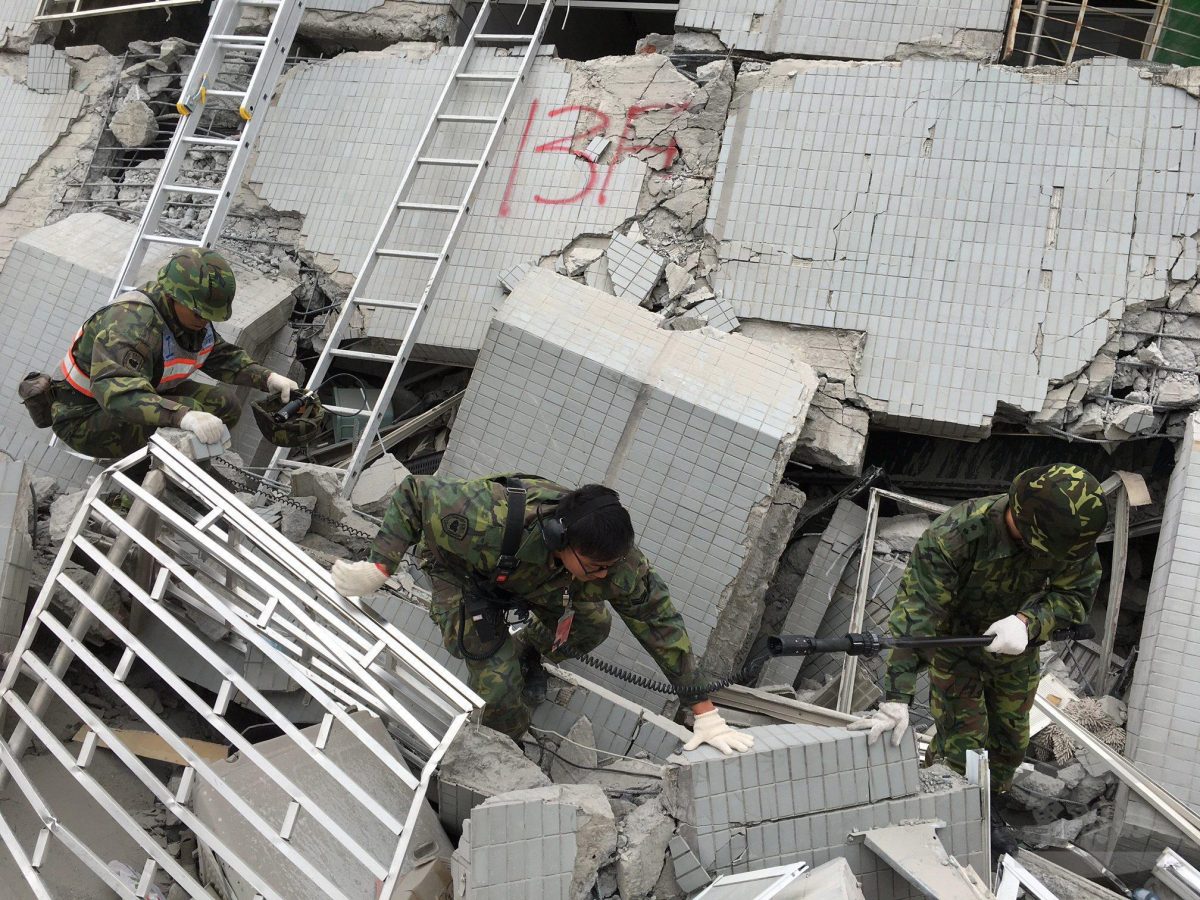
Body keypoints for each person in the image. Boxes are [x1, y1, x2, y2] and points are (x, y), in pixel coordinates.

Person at [331, 473, 755, 755]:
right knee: (500, 690)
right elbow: (414, 493)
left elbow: (660, 624)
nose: (605, 575)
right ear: (558, 538)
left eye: (610, 566)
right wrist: (380, 566)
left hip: (534, 581)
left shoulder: (613, 560)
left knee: (592, 624)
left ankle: (527, 652)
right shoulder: (486, 516)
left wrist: (705, 712)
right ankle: (500, 748)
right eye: (596, 568)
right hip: (462, 575)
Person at [850, 463, 1107, 850]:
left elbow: (1075, 596)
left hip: (1015, 648)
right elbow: (916, 619)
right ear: (1026, 521)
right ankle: (949, 816)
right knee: (964, 742)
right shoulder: (956, 535)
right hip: (957, 648)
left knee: (1009, 741)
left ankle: (987, 806)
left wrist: (1028, 621)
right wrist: (898, 696)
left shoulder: (1067, 537)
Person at [51, 247, 298, 458]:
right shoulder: (132, 325)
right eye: (199, 313)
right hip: (85, 416)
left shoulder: (186, 317)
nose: (204, 321)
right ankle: (143, 483)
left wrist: (267, 379)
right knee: (189, 418)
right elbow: (117, 394)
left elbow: (217, 354)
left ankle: (176, 465)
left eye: (208, 316)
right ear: (174, 296)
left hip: (145, 393)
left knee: (224, 405)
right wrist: (181, 415)